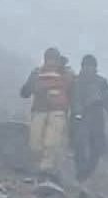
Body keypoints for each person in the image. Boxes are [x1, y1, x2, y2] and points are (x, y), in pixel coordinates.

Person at [20, 48, 74, 177]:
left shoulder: (66, 74)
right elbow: (25, 92)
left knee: (51, 141)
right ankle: (40, 165)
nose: (51, 62)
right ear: (45, 59)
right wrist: (32, 86)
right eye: (49, 59)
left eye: (53, 59)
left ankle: (46, 169)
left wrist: (75, 112)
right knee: (35, 142)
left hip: (58, 112)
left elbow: (74, 92)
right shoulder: (37, 73)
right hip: (39, 110)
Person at [69, 54, 108, 181]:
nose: (88, 69)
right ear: (82, 66)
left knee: (97, 149)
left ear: (95, 67)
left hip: (96, 116)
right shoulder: (75, 81)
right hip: (79, 117)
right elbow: (69, 99)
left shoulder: (101, 82)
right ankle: (80, 172)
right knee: (79, 145)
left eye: (91, 66)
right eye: (86, 66)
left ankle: (85, 173)